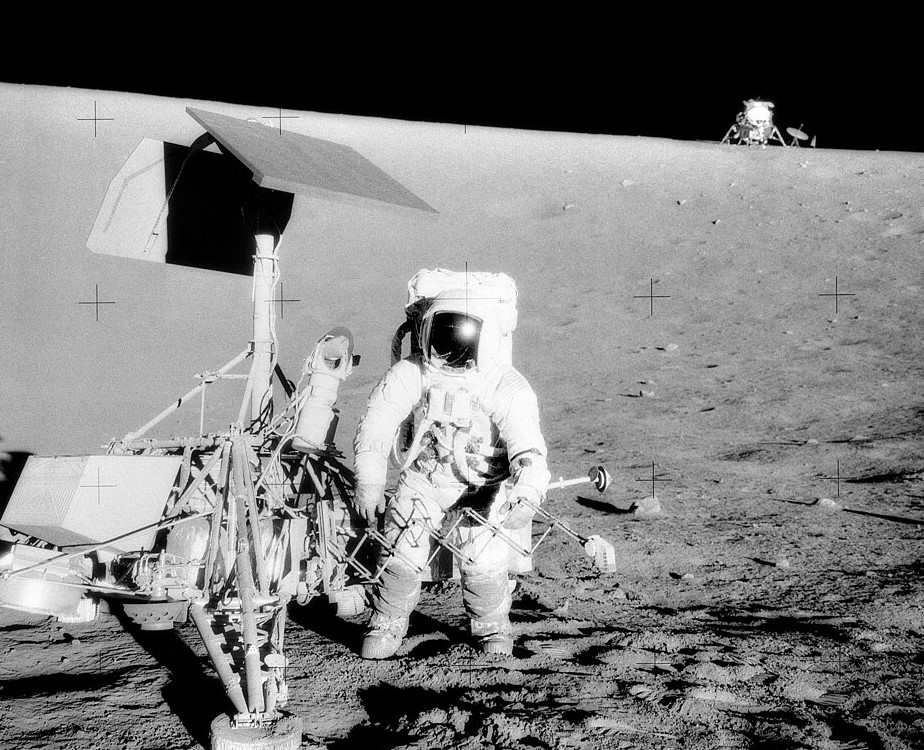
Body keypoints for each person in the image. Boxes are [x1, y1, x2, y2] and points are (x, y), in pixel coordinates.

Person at [351, 270, 550, 659]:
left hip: (482, 488)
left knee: (483, 558)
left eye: (464, 337)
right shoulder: (413, 372)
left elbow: (527, 445)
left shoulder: (503, 383)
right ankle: (387, 620)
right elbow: (376, 424)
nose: (454, 348)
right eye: (444, 335)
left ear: (486, 336)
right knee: (402, 546)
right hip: (423, 478)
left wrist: (527, 491)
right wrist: (369, 483)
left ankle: (491, 627)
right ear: (427, 329)